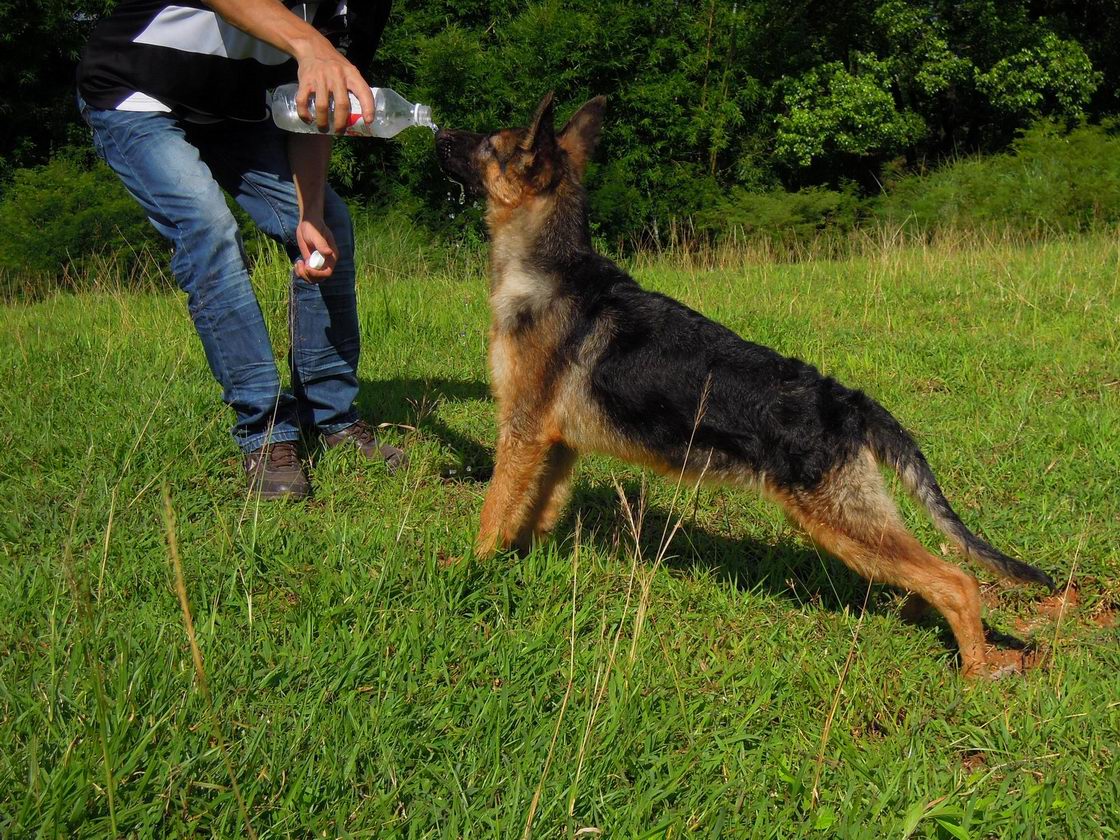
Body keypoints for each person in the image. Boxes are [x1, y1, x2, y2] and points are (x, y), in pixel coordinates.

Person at [76, 0, 405, 500]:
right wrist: (310, 44)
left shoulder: (356, 9)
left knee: (328, 224)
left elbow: (315, 104)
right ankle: (267, 432)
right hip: (134, 91)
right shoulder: (312, 33)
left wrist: (309, 211)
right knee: (207, 227)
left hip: (237, 115)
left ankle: (333, 416)